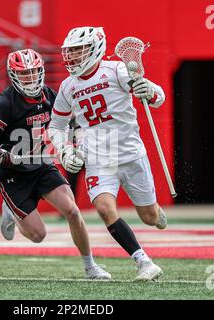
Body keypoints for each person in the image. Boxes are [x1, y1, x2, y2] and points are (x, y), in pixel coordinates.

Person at [0, 48, 110, 280]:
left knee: (73, 211)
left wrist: (73, 145)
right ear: (13, 75)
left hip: (42, 163)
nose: (31, 78)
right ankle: (11, 212)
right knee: (38, 235)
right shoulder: (4, 104)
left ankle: (90, 267)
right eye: (24, 74)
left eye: (34, 72)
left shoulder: (50, 95)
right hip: (11, 172)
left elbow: (71, 124)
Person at [48, 26, 167, 281]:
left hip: (130, 153)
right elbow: (56, 126)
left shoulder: (116, 70)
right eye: (71, 52)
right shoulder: (68, 86)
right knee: (104, 208)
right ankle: (143, 262)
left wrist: (150, 91)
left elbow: (158, 97)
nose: (73, 58)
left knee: (149, 217)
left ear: (95, 49)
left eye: (79, 51)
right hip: (98, 158)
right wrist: (65, 149)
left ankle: (155, 211)